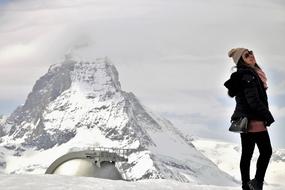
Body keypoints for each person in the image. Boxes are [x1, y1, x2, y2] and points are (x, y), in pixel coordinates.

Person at [224, 48, 274, 190]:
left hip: (244, 120)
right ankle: (257, 183)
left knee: (247, 154)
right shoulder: (248, 75)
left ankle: (246, 186)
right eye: (246, 55)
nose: (251, 56)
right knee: (266, 151)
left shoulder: (248, 74)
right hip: (253, 119)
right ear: (241, 60)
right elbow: (253, 101)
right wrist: (267, 116)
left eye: (251, 52)